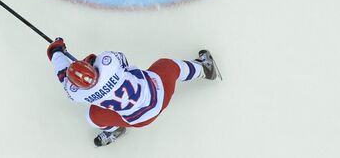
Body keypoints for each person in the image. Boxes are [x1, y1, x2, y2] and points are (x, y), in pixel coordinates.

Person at [46, 38, 221, 147]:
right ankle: (204, 69)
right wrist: (92, 60)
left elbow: (62, 75)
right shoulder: (108, 62)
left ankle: (115, 130)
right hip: (157, 94)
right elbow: (123, 60)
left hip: (138, 120)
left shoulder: (76, 93)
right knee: (168, 66)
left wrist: (55, 51)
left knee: (92, 117)